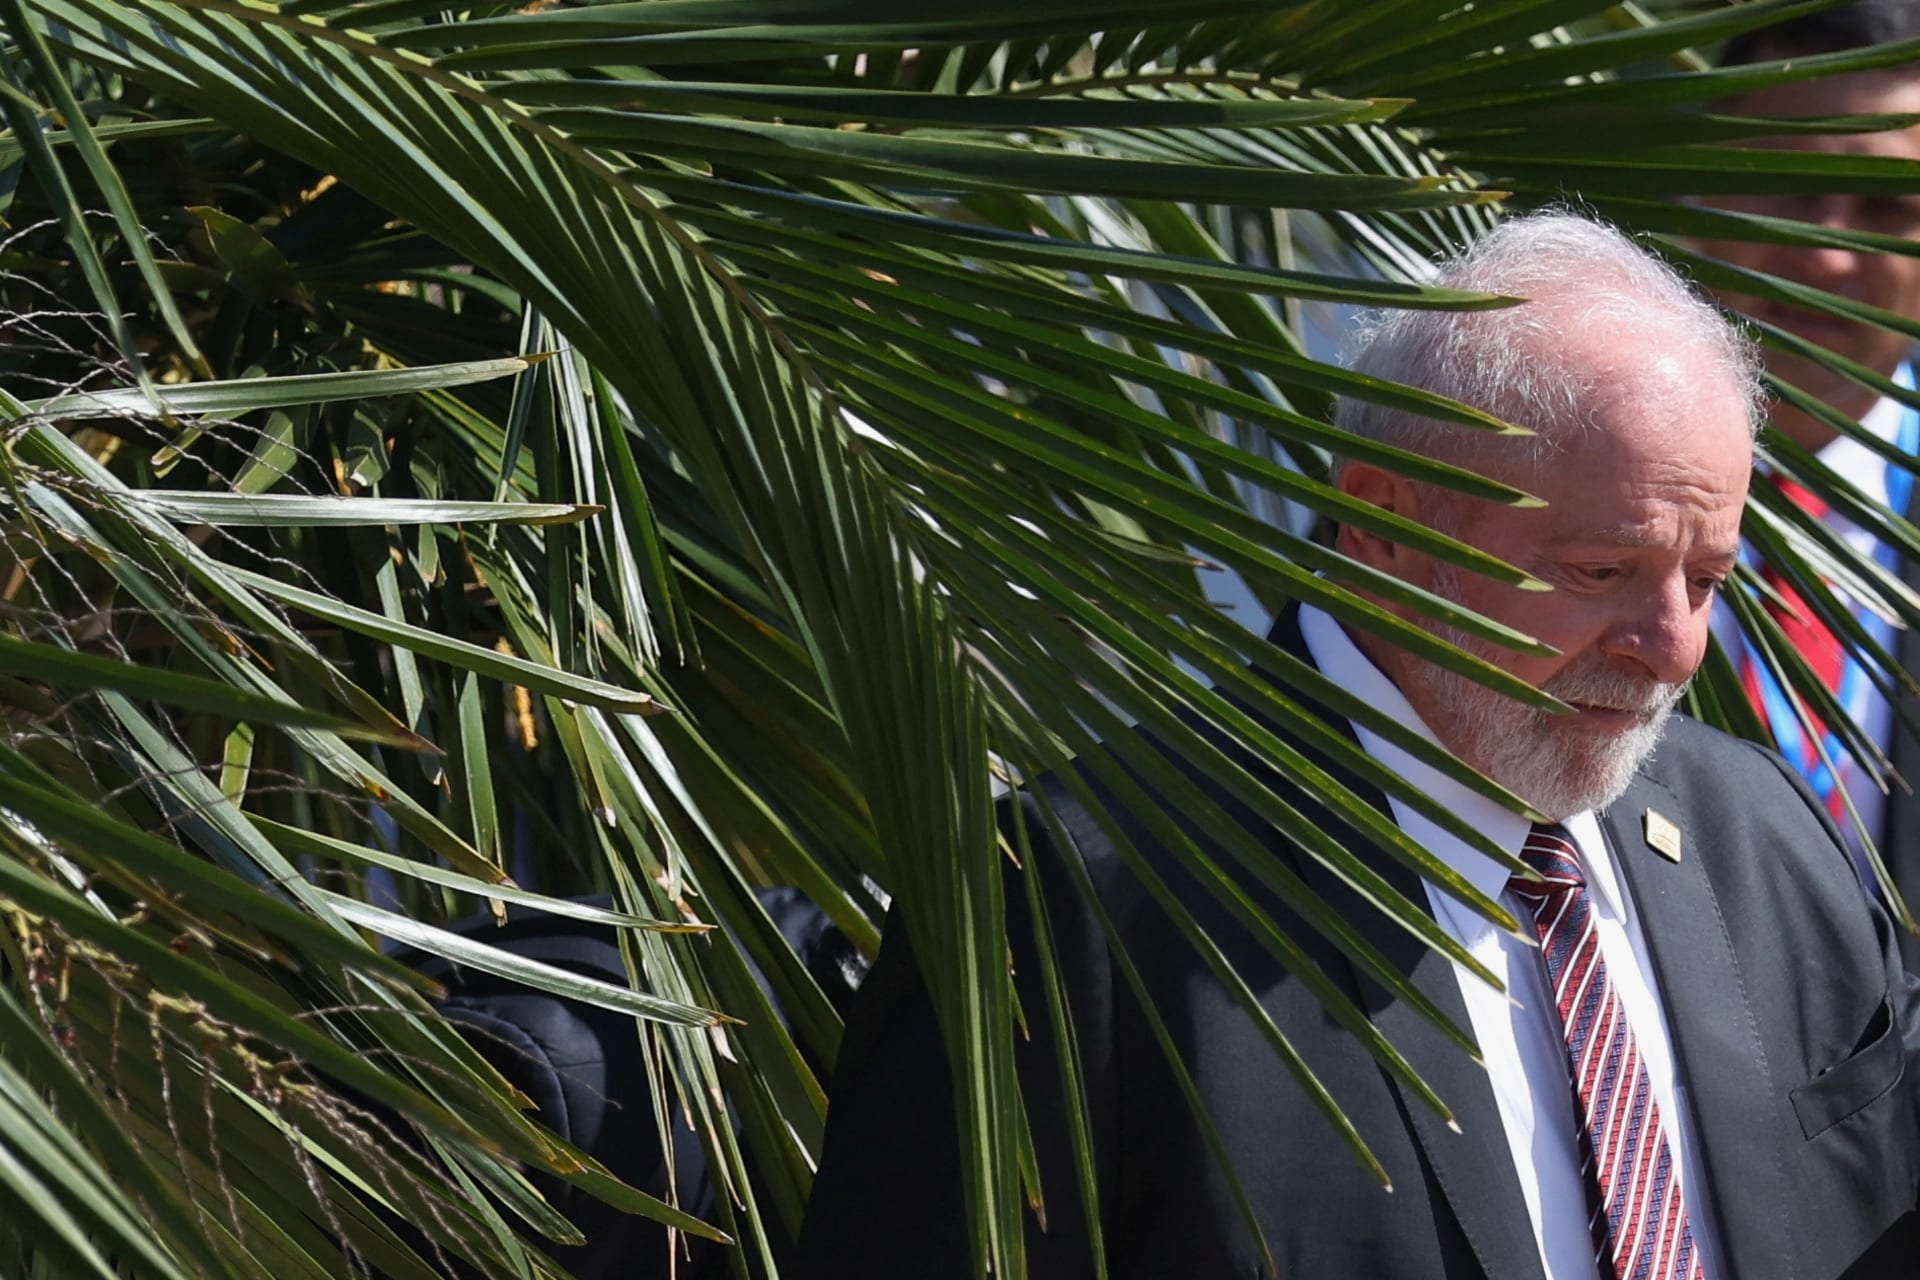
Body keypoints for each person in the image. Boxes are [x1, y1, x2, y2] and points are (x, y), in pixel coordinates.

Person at [793, 213, 1920, 1279]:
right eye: (1600, 571)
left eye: (1708, 580)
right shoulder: (1076, 905)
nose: (1672, 648)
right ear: (1385, 519)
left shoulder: (1761, 833)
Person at [1705, 2, 1920, 928]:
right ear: (1698, 185)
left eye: (1887, 208)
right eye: (1790, 185)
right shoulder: (1509, 474)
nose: (1829, 253)